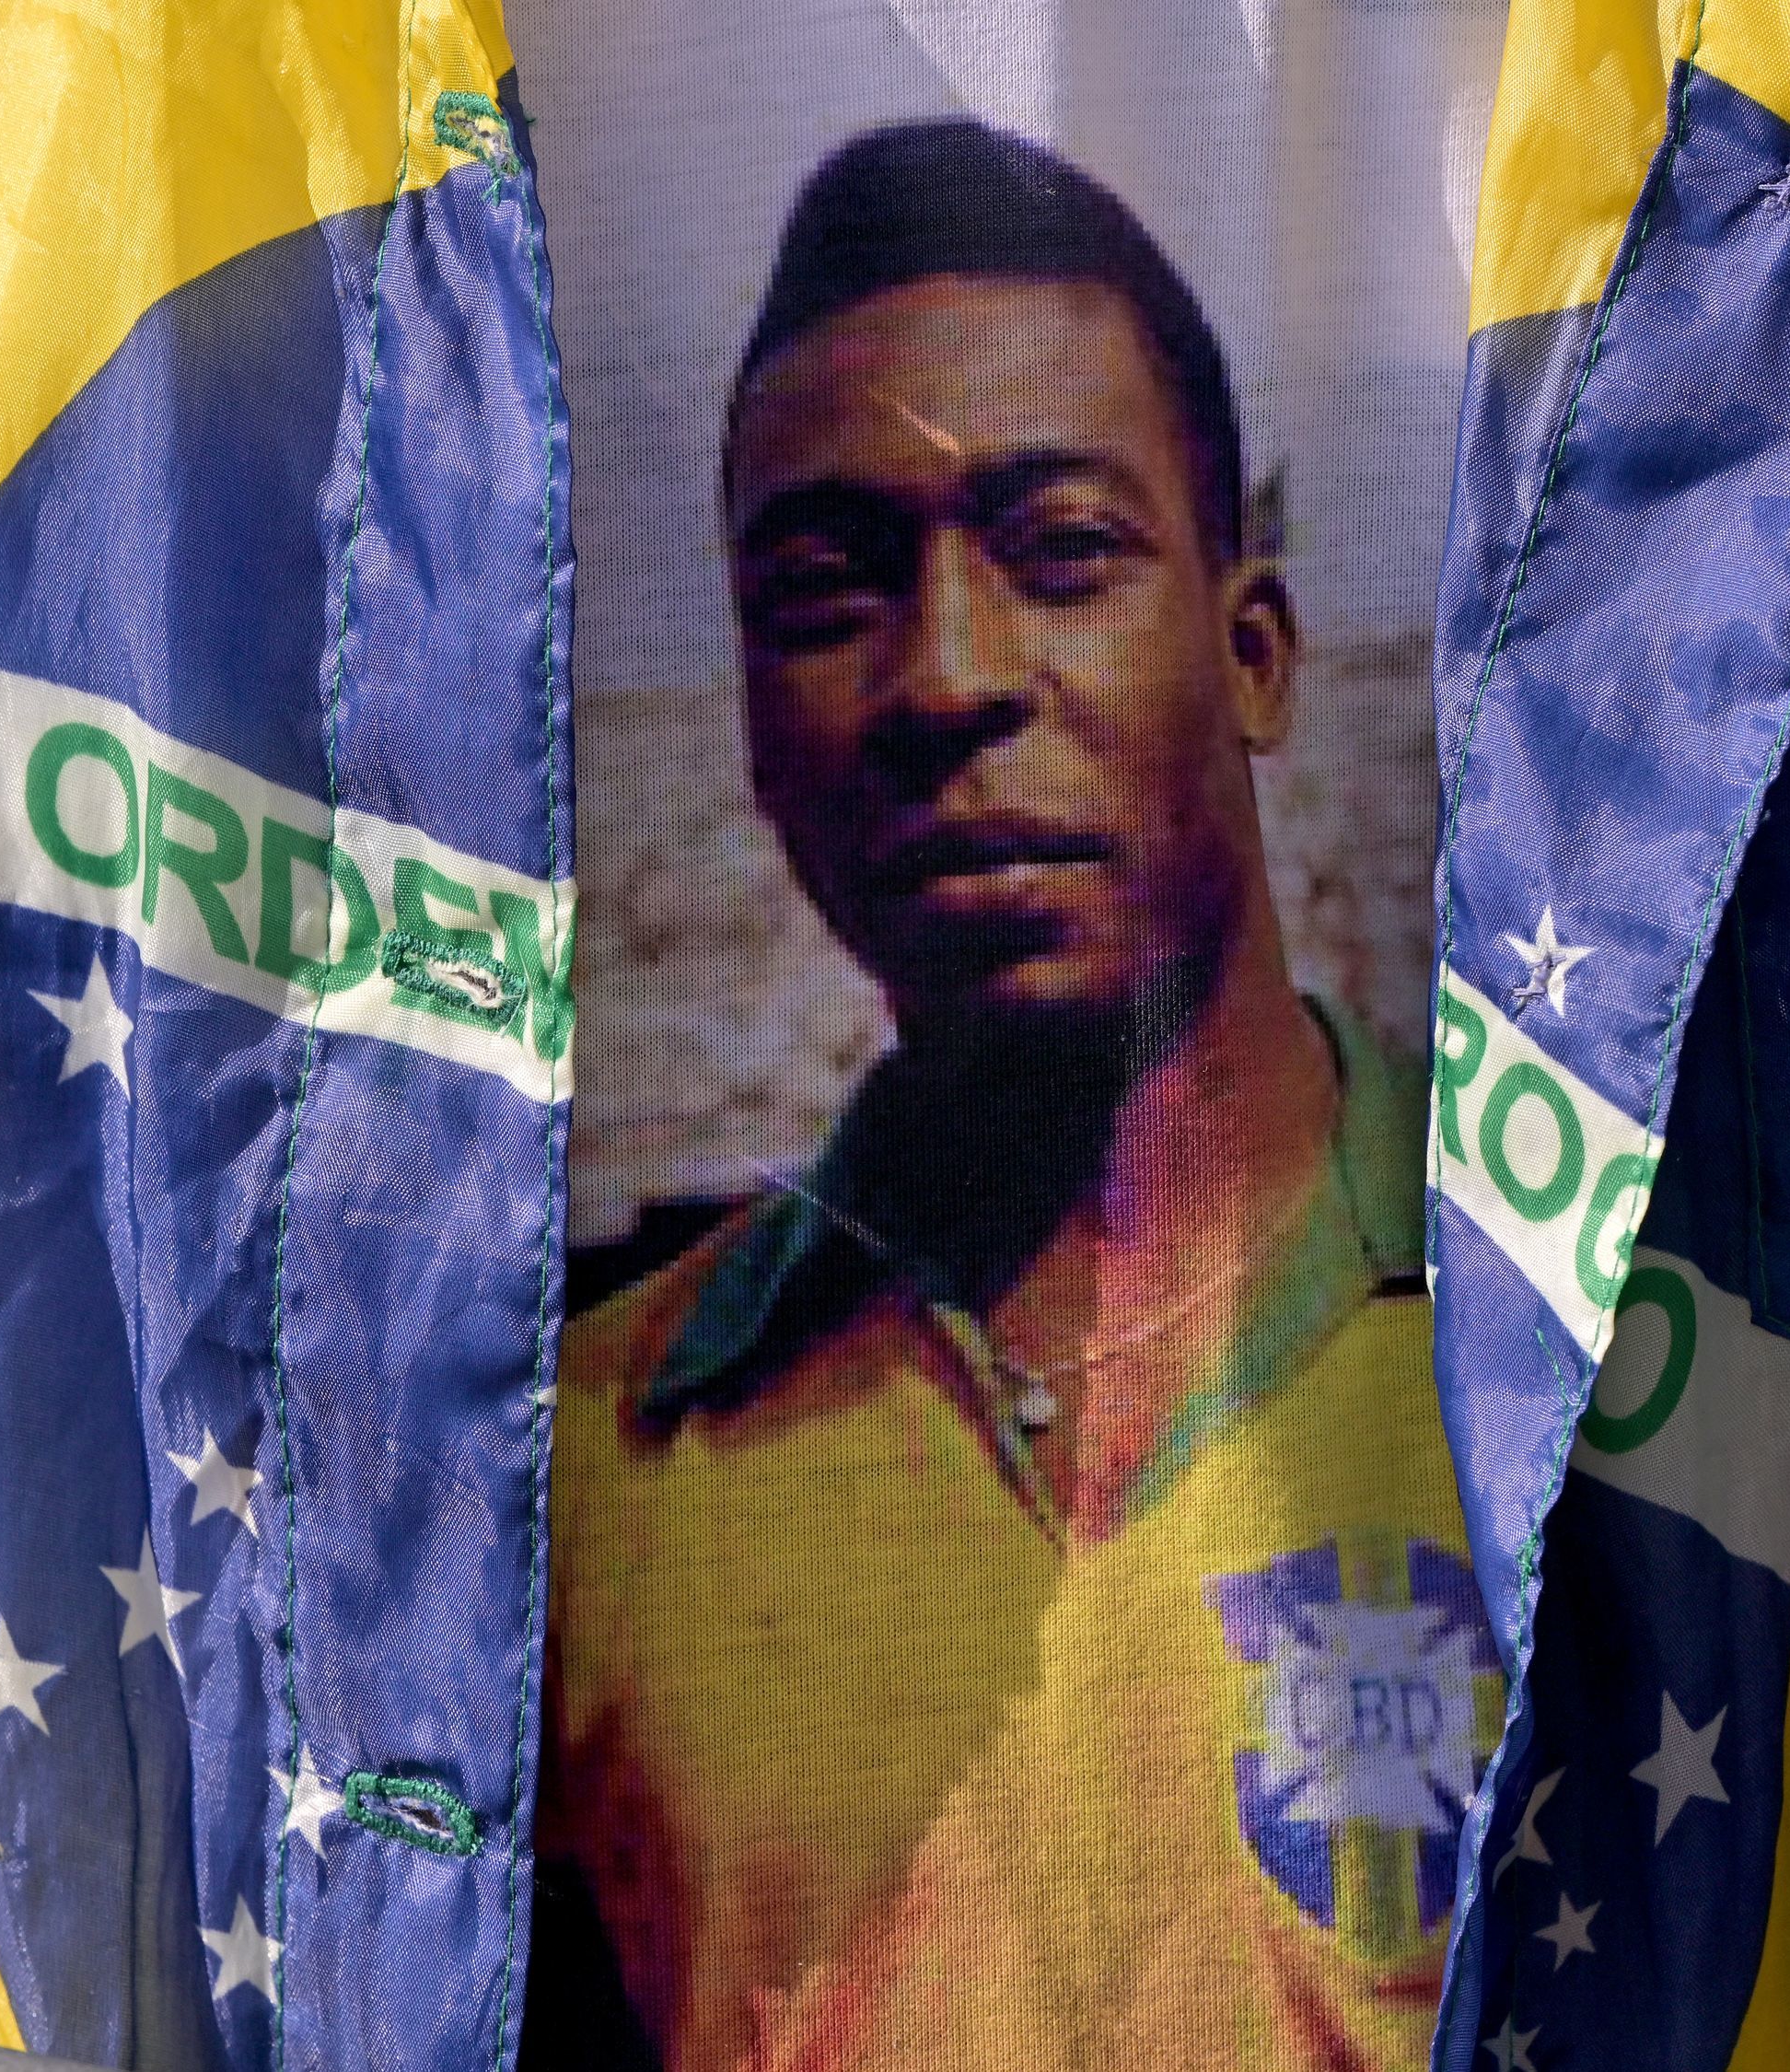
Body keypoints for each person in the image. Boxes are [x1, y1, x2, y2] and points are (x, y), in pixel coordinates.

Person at [537, 119, 1488, 2072]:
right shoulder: (574, 1484)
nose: (943, 678)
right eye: (827, 591)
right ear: (751, 727)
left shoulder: (1575, 1351)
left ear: (1252, 653)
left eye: (1060, 556)